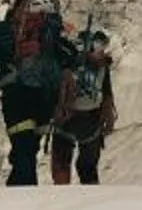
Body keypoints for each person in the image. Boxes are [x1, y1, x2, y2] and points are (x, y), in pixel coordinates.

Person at [0, 0, 74, 186]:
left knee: (23, 147)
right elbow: (70, 59)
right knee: (28, 149)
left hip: (16, 95)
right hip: (46, 97)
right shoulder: (52, 30)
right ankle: (20, 194)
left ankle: (22, 196)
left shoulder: (3, 30)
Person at [51, 27, 119, 185]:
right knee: (88, 168)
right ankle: (89, 200)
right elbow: (106, 93)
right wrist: (107, 116)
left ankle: (60, 198)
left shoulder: (67, 61)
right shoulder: (102, 67)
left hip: (66, 120)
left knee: (61, 165)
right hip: (91, 121)